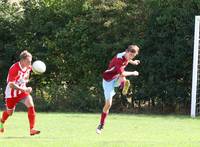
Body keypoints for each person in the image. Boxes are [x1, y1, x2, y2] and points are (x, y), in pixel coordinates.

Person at [96, 45, 140, 134]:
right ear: (126, 52)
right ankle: (101, 124)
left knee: (122, 77)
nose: (131, 57)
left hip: (117, 77)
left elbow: (128, 59)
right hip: (108, 80)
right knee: (108, 104)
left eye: (133, 56)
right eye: (130, 55)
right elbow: (123, 72)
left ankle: (123, 85)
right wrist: (133, 73)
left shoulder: (126, 55)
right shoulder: (119, 59)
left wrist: (133, 62)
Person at [0, 50, 40, 136]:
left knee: (31, 104)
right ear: (22, 60)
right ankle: (1, 121)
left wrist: (26, 87)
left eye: (31, 61)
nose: (30, 63)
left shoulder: (28, 68)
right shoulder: (14, 68)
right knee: (10, 112)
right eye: (28, 61)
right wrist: (23, 89)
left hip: (22, 91)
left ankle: (32, 129)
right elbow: (11, 84)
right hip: (11, 93)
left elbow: (25, 79)